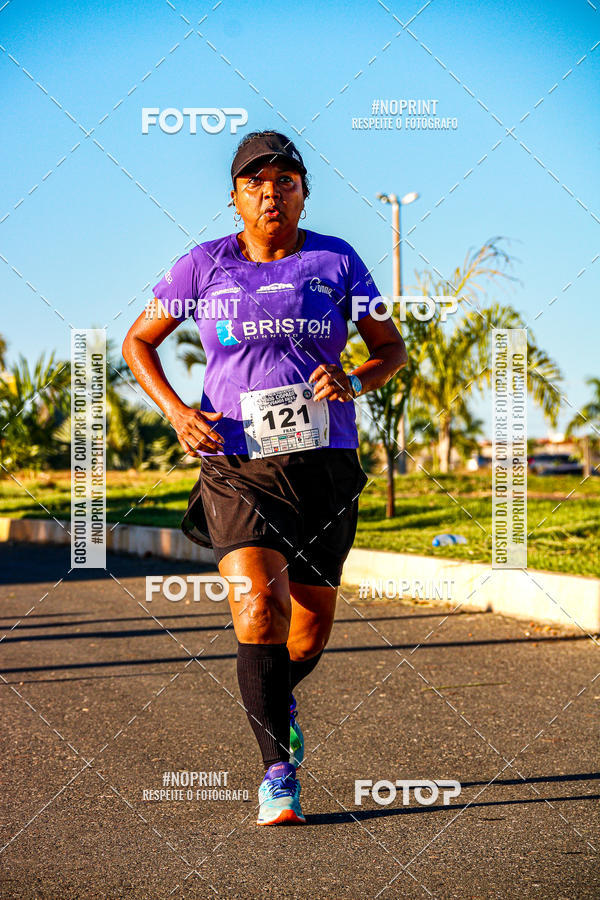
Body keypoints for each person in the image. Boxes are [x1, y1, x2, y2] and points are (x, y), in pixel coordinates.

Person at [122, 130, 407, 825]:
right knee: (259, 609)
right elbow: (138, 341)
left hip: (325, 465)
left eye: (285, 181)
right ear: (235, 197)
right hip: (236, 465)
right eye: (255, 182)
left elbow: (390, 348)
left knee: (306, 634)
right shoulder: (203, 265)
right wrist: (177, 412)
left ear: (304, 193)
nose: (270, 193)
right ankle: (278, 773)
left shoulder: (337, 260)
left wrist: (354, 378)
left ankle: (279, 697)